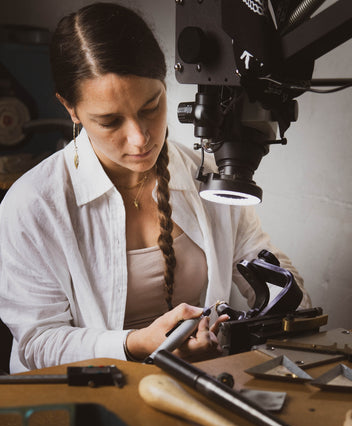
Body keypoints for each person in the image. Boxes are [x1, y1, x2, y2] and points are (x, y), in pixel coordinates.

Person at [0, 2, 311, 373]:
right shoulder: (33, 205)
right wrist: (135, 345)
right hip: (82, 399)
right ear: (70, 109)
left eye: (151, 107)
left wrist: (299, 322)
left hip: (189, 383)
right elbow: (39, 342)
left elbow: (262, 262)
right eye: (110, 121)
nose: (139, 139)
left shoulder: (208, 177)